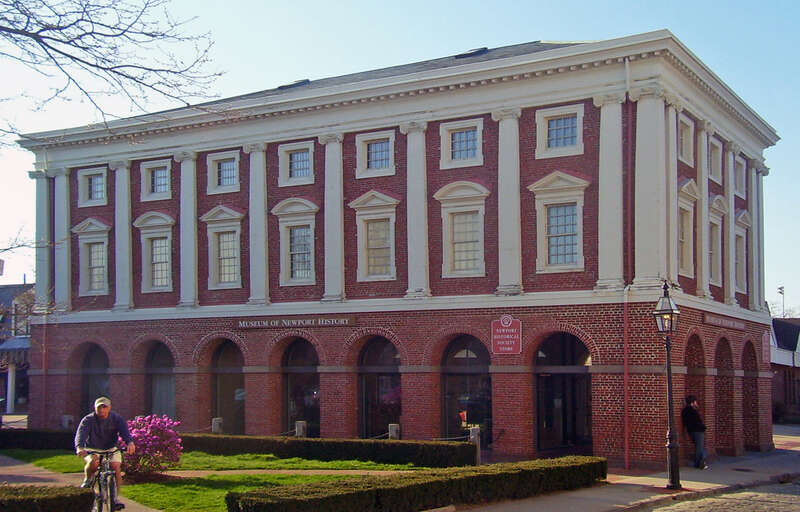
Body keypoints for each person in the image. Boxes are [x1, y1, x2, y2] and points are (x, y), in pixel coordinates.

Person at [74, 396, 136, 511]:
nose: (102, 410)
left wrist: (130, 443)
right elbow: (81, 435)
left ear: (109, 408)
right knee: (93, 462)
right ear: (95, 408)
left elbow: (125, 432)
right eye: (99, 407)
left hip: (111, 448)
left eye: (104, 407)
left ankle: (115, 498)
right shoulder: (88, 420)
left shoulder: (116, 418)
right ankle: (88, 480)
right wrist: (79, 447)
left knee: (116, 467)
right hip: (92, 449)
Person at [681, 395, 708, 469]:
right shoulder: (693, 411)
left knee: (699, 447)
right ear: (692, 402)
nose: (696, 403)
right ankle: (699, 463)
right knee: (700, 447)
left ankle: (700, 462)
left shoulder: (685, 411)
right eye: (695, 402)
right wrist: (703, 427)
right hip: (698, 431)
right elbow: (697, 421)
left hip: (691, 430)